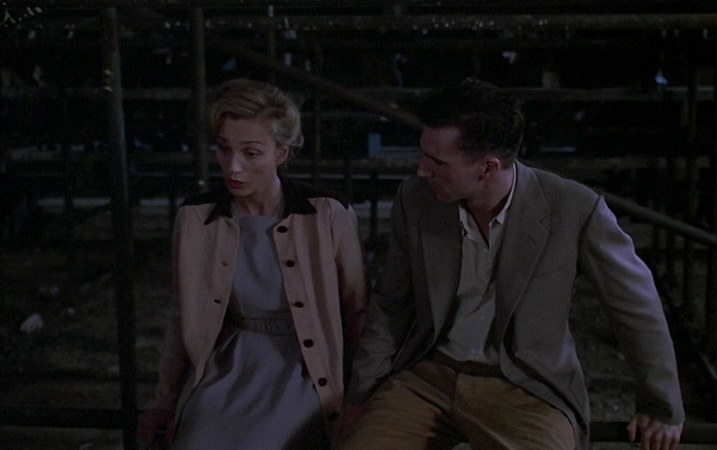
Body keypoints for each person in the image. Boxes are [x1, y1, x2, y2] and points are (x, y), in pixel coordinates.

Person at [341, 77, 684, 450]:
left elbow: (634, 306)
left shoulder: (573, 208)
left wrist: (662, 407)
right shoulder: (416, 200)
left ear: (487, 168)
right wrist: (361, 394)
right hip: (428, 377)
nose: (422, 170)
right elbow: (391, 305)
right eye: (424, 155)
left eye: (437, 162)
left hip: (527, 387)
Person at [138, 78, 367, 449]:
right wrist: (163, 399)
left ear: (282, 153)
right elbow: (183, 317)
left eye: (251, 153)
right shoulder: (196, 219)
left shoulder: (327, 214)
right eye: (224, 149)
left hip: (306, 365)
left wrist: (361, 394)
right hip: (230, 363)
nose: (234, 167)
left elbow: (358, 311)